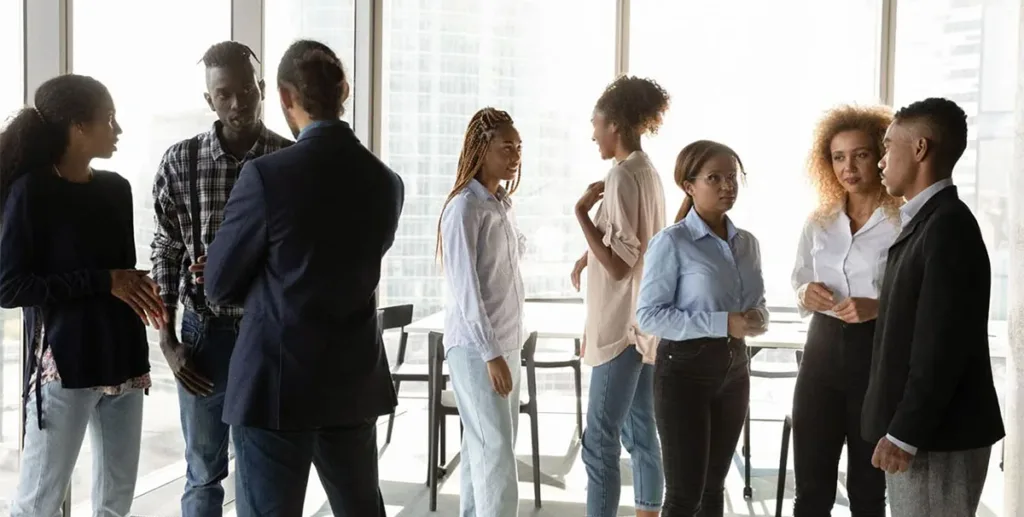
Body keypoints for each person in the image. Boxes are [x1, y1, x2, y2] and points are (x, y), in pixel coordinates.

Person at [203, 39, 403, 516]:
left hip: (277, 384)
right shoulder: (386, 182)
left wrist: (257, 270)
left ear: (285, 97)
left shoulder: (266, 176)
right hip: (352, 380)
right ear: (345, 91)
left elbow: (218, 286)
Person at [0, 74, 167, 516]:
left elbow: (120, 275)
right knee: (38, 502)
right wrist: (102, 280)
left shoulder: (117, 189)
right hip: (64, 365)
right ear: (77, 127)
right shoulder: (31, 192)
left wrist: (144, 285)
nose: (118, 130)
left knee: (116, 502)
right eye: (108, 120)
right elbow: (10, 286)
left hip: (124, 360)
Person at [150, 40, 292, 517]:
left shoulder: (288, 160)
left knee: (260, 471)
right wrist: (167, 341)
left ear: (263, 89)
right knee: (203, 473)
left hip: (268, 336)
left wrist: (240, 268)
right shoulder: (179, 162)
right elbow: (166, 250)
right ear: (208, 99)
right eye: (224, 94)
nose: (237, 104)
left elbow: (302, 257)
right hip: (202, 336)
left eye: (247, 91)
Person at [862, 97, 1004, 517]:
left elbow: (942, 346)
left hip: (938, 437)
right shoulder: (930, 222)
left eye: (888, 147)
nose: (882, 161)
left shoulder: (948, 227)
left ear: (920, 149)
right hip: (928, 433)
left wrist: (904, 434)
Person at [636, 140, 768, 517]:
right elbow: (649, 316)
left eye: (732, 177)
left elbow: (757, 305)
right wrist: (723, 322)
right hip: (684, 373)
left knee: (713, 489)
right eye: (715, 178)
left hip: (735, 371)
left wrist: (757, 319)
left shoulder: (748, 244)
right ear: (689, 185)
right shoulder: (672, 242)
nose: (728, 186)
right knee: (683, 496)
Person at [789, 105, 899, 517]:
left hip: (875, 357)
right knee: (811, 491)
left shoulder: (902, 221)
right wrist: (805, 293)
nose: (848, 166)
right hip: (820, 354)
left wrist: (879, 306)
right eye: (838, 157)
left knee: (868, 493)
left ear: (880, 155)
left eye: (860, 154)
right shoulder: (819, 221)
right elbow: (799, 277)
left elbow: (920, 296)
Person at [572, 75, 668, 517]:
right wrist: (585, 256)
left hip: (619, 331)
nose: (592, 133)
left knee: (599, 441)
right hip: (643, 325)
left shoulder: (622, 175)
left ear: (613, 124)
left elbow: (619, 263)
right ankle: (648, 511)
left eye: (594, 123)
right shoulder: (648, 173)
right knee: (642, 433)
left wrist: (580, 214)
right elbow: (630, 242)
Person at [437, 106, 526, 517]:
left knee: (483, 452)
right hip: (477, 350)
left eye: (518, 147)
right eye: (507, 146)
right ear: (482, 147)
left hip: (505, 343)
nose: (515, 154)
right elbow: (466, 290)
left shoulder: (499, 204)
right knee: (497, 458)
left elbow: (504, 266)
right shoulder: (464, 208)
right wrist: (491, 353)